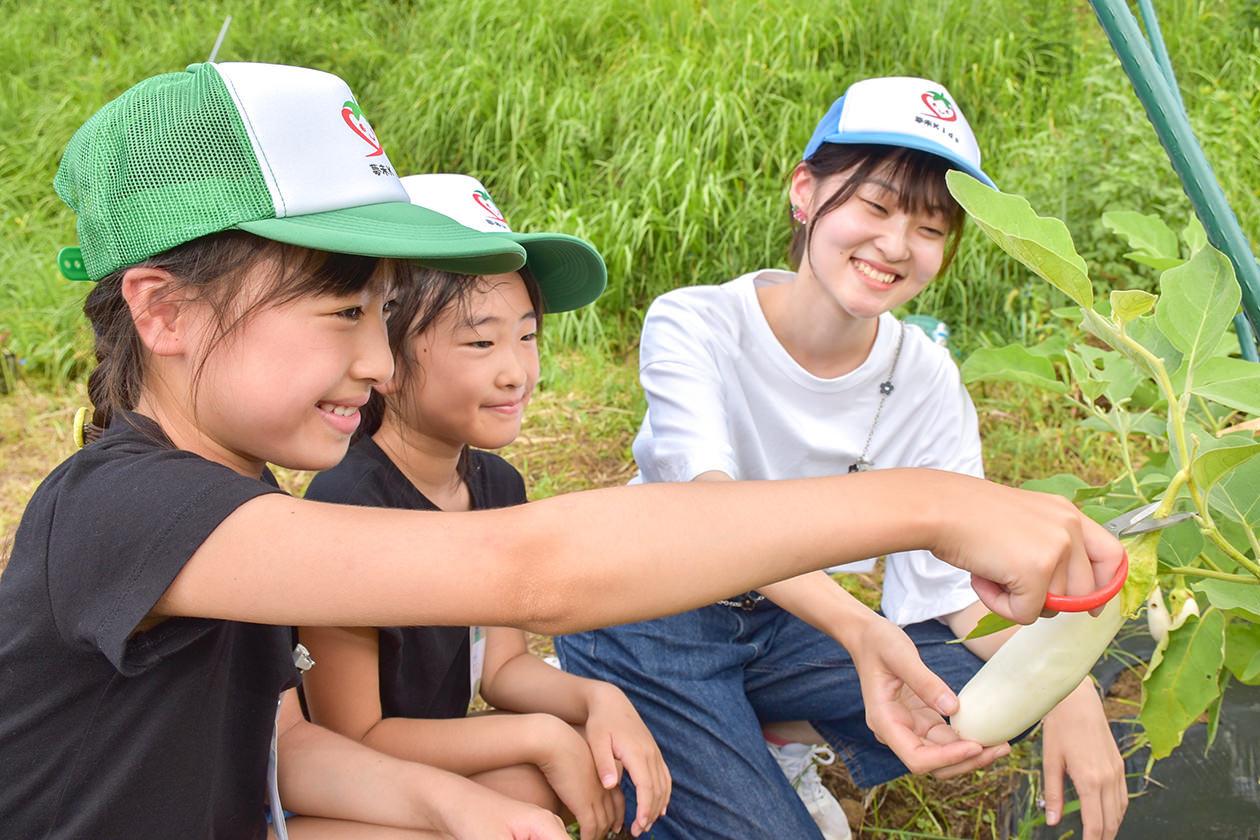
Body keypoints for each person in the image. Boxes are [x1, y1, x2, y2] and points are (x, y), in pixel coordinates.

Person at [0, 62, 1124, 839]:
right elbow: (534, 569)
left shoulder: (234, 493)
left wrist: (459, 811)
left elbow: (280, 754)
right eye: (343, 315)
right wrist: (925, 503)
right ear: (165, 311)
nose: (383, 368)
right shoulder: (126, 509)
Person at [554, 76, 1128, 840]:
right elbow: (707, 518)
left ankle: (758, 731)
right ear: (805, 192)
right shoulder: (697, 323)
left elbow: (950, 595)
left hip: (786, 624)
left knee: (989, 698)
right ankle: (629, 701)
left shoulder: (923, 375)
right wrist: (859, 631)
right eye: (876, 204)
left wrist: (1067, 689)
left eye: (930, 226)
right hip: (654, 610)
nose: (896, 245)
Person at [299, 173, 669, 840]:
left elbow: (502, 669)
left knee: (559, 767)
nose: (516, 372)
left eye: (526, 336)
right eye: (481, 342)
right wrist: (538, 735)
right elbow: (349, 735)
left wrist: (595, 697)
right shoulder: (348, 507)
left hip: (426, 756)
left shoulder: (495, 485)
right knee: (544, 767)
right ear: (388, 355)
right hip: (343, 792)